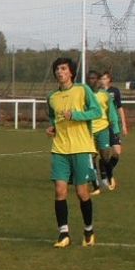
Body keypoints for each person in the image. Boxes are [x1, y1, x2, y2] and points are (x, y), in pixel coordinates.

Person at [47, 57, 102, 248]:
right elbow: (54, 118)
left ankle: (88, 230)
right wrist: (52, 128)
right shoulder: (52, 97)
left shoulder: (82, 90)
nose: (59, 72)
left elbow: (96, 112)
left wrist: (76, 115)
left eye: (63, 68)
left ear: (71, 72)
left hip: (81, 148)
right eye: (57, 69)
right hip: (60, 149)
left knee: (82, 192)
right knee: (59, 190)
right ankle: (64, 234)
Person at [86, 70, 121, 192]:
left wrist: (115, 130)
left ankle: (109, 176)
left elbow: (111, 113)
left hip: (103, 129)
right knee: (91, 159)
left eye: (93, 78)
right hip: (89, 132)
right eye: (89, 78)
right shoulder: (84, 95)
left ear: (98, 80)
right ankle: (96, 186)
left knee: (105, 157)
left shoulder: (105, 95)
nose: (91, 81)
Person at [99, 70, 127, 189]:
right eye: (101, 78)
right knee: (104, 152)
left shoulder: (114, 91)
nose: (103, 80)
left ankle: (105, 168)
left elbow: (120, 107)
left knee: (117, 152)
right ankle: (106, 174)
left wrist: (124, 125)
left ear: (109, 80)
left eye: (105, 78)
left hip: (114, 125)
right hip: (102, 125)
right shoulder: (97, 92)